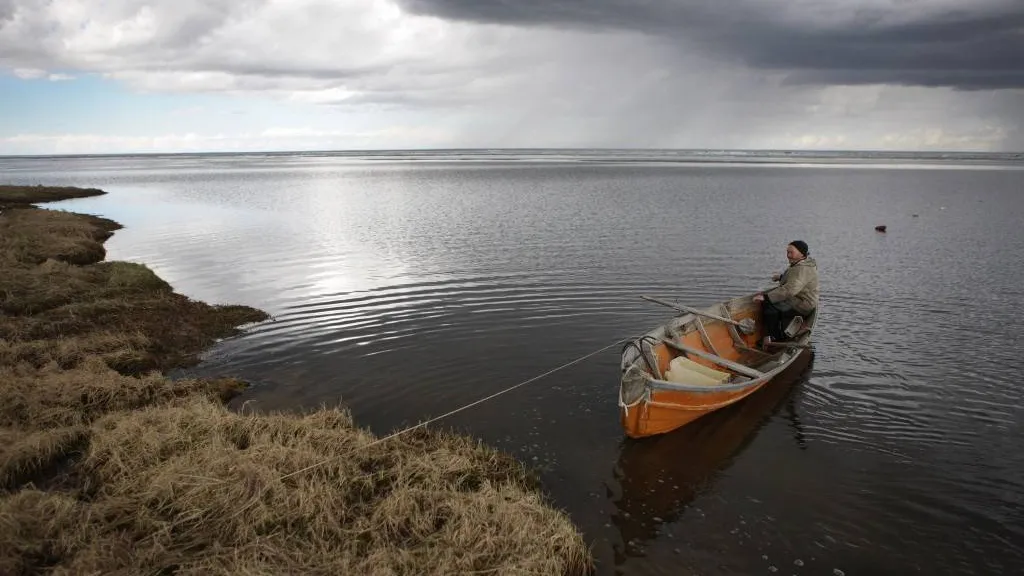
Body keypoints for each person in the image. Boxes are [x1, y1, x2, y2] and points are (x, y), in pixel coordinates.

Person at [752, 240, 818, 345]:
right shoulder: (802, 263)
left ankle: (774, 337)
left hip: (803, 304)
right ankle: (778, 329)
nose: (788, 255)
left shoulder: (802, 268)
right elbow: (796, 280)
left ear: (801, 253)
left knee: (769, 306)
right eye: (787, 252)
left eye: (791, 252)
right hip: (798, 299)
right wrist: (781, 277)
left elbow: (790, 289)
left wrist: (766, 297)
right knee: (773, 301)